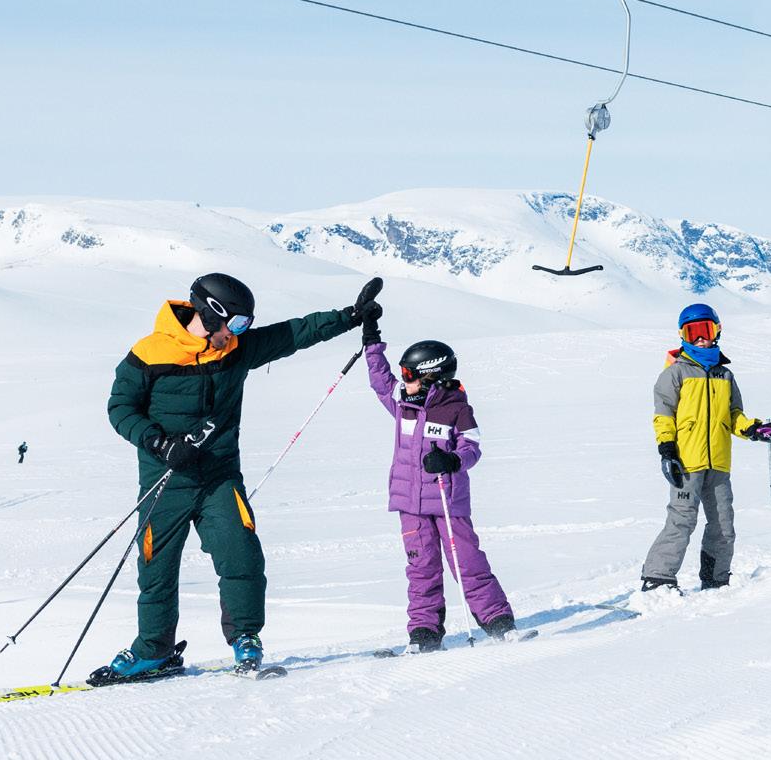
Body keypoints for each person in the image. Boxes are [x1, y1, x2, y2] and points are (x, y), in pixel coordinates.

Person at [98, 272, 383, 679]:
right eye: (235, 324)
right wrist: (159, 443)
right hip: (165, 482)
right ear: (209, 313)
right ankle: (153, 651)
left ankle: (245, 637)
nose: (238, 333)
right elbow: (120, 408)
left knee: (241, 555)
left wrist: (350, 316)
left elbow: (293, 333)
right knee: (156, 570)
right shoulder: (149, 353)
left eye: (244, 326)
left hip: (219, 478)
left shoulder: (235, 349)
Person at [361, 315, 516, 652]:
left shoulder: (456, 410)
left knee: (468, 563)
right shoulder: (403, 405)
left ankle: (498, 621)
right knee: (421, 569)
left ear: (431, 377)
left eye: (409, 375)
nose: (403, 381)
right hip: (410, 505)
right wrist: (371, 340)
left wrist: (452, 460)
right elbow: (379, 380)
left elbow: (471, 447)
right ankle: (424, 633)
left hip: (448, 501)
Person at [641, 304, 771, 592]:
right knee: (682, 519)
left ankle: (716, 579)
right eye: (692, 332)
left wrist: (754, 429)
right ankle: (658, 578)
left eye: (705, 331)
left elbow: (733, 416)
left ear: (716, 332)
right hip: (686, 462)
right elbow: (664, 415)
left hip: (718, 463)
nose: (700, 339)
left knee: (723, 524)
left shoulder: (725, 376)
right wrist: (667, 450)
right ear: (683, 335)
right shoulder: (675, 374)